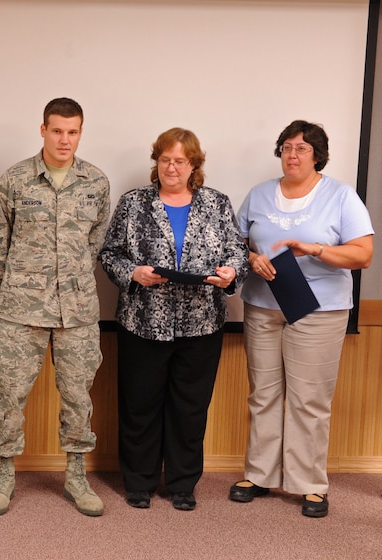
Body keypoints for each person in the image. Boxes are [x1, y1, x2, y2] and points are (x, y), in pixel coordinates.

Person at [99, 128, 248, 511]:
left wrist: (231, 272)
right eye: (165, 159)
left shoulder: (216, 203)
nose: (171, 167)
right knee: (139, 405)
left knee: (189, 408)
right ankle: (139, 482)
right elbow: (110, 253)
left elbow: (237, 251)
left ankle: (182, 484)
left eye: (180, 161)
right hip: (142, 321)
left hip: (202, 324)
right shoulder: (134, 203)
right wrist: (134, 273)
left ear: (194, 165)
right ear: (156, 162)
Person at [231, 120, 373, 518]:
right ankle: (259, 474)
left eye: (302, 148)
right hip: (263, 307)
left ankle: (309, 483)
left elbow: (363, 255)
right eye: (287, 147)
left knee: (308, 399)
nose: (292, 155)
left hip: (319, 311)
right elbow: (235, 244)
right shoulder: (259, 194)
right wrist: (252, 258)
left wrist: (315, 249)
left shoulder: (341, 196)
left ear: (317, 156)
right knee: (263, 393)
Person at [0, 97, 110, 517]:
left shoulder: (96, 182)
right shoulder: (15, 180)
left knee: (77, 396)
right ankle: (4, 474)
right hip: (22, 309)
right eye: (57, 131)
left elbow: (95, 242)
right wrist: (20, 284)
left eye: (72, 132)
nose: (64, 140)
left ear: (81, 133)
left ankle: (76, 476)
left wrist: (71, 280)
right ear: (43, 130)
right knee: (10, 393)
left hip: (77, 311)